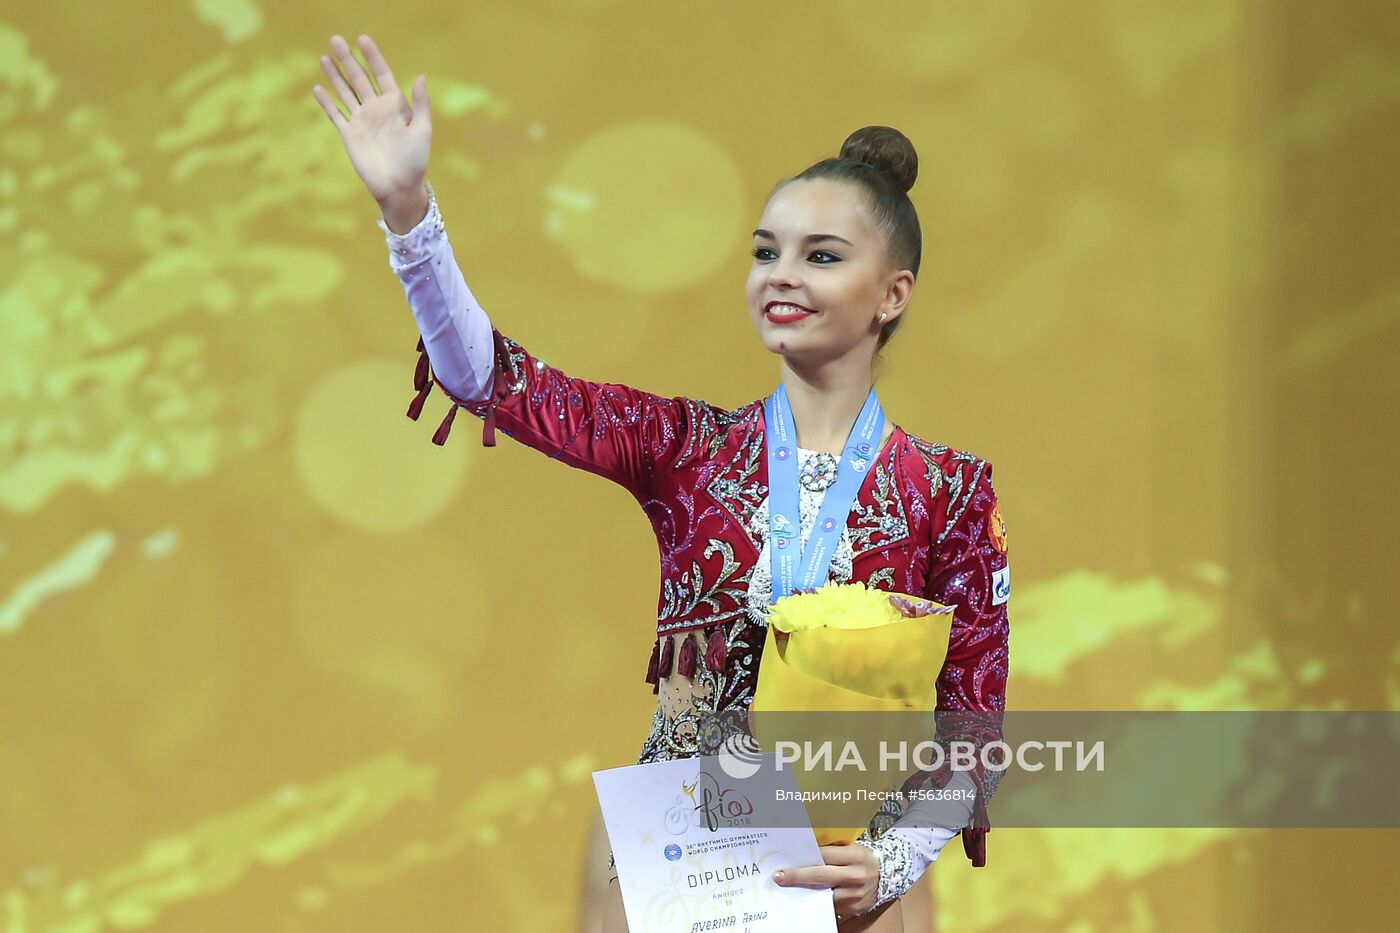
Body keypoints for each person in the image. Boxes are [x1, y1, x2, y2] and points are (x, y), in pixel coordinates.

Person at [312, 33, 1011, 932]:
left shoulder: (950, 493)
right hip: (693, 865)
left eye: (822, 256)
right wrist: (409, 213)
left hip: (853, 880)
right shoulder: (684, 447)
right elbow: (493, 378)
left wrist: (892, 858)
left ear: (893, 293)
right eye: (767, 252)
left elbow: (972, 733)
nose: (782, 277)